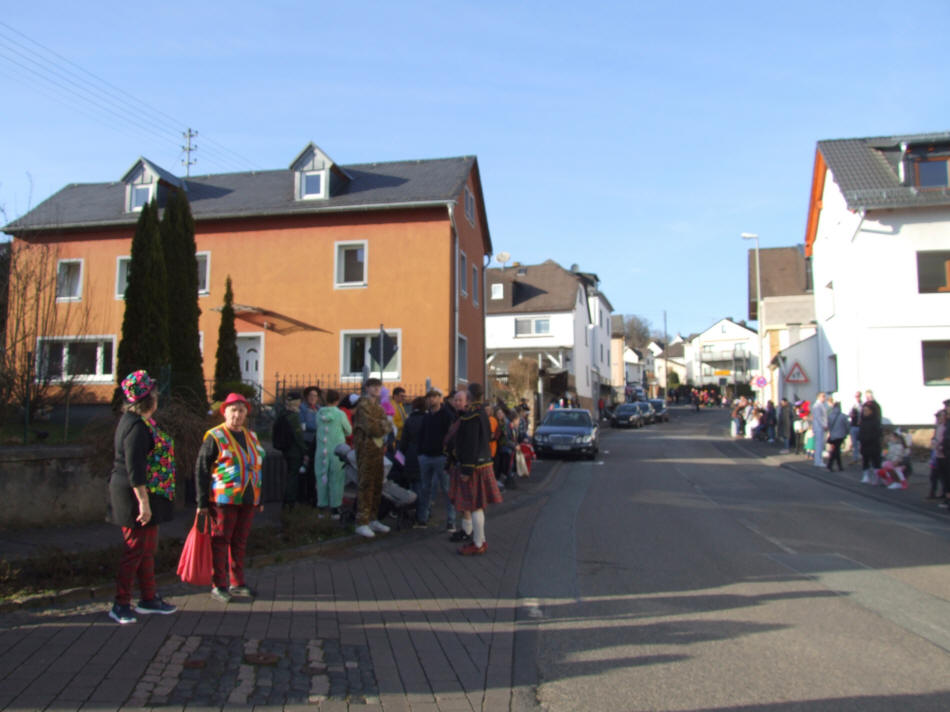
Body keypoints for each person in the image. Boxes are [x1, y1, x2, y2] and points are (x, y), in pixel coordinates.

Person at [107, 370, 177, 624]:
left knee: (147, 549)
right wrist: (143, 503)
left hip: (147, 494)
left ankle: (149, 598)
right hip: (133, 496)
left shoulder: (141, 422)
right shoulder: (135, 427)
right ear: (150, 399)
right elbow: (134, 467)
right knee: (134, 550)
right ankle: (120, 603)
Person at [196, 392, 266, 603]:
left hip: (248, 497)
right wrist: (201, 502)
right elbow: (201, 469)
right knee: (220, 541)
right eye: (233, 410)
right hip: (224, 499)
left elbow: (257, 467)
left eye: (241, 411)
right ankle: (219, 584)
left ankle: (237, 581)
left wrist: (260, 498)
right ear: (224, 412)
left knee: (240, 541)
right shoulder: (215, 436)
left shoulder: (251, 436)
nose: (237, 415)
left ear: (246, 414)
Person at [447, 384, 503, 555]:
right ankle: (480, 539)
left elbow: (470, 444)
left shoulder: (471, 416)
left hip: (475, 465)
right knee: (477, 506)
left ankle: (478, 543)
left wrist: (467, 469)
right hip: (484, 462)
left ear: (469, 396)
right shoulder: (483, 413)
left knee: (475, 506)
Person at [353, 378, 393, 538]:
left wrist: (384, 425)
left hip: (378, 450)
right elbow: (373, 428)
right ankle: (362, 521)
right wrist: (384, 425)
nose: (376, 389)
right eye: (373, 386)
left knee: (377, 485)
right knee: (366, 485)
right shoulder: (363, 406)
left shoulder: (378, 407)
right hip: (366, 450)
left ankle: (373, 518)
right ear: (367, 388)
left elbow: (386, 425)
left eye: (379, 386)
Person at [415, 388, 456, 532]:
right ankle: (423, 519)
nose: (431, 399)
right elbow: (421, 435)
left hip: (440, 457)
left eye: (434, 397)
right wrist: (420, 453)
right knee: (425, 488)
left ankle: (451, 520)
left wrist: (447, 454)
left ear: (440, 398)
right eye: (429, 397)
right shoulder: (426, 416)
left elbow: (451, 436)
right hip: (426, 456)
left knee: (446, 489)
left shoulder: (447, 415)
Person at [314, 389, 352, 519]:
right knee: (336, 479)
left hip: (321, 450)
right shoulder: (340, 414)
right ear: (337, 400)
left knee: (321, 477)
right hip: (337, 451)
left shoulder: (319, 413)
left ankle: (321, 507)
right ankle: (335, 508)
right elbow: (348, 430)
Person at [273, 392, 305, 509]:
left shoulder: (282, 413)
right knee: (293, 475)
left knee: (289, 474)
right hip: (294, 450)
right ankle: (289, 501)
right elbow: (298, 436)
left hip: (285, 448)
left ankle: (287, 500)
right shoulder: (294, 416)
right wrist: (305, 450)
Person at [398, 396, 426, 526]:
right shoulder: (427, 419)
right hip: (424, 453)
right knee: (422, 485)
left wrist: (401, 454)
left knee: (412, 485)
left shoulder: (409, 420)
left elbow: (403, 442)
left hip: (410, 454)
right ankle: (422, 515)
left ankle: (412, 513)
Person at [299, 386, 321, 505]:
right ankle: (305, 496)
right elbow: (303, 426)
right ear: (307, 396)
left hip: (318, 442)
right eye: (311, 395)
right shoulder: (302, 408)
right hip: (307, 442)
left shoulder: (319, 409)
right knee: (306, 469)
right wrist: (318, 427)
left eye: (315, 396)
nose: (313, 398)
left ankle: (314, 496)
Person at [858, 400, 883, 484]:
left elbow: (878, 433)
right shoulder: (862, 421)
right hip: (864, 445)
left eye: (867, 411)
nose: (865, 412)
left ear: (871, 411)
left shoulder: (875, 421)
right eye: (864, 410)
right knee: (865, 460)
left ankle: (877, 477)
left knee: (876, 461)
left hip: (873, 445)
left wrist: (870, 439)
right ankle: (866, 476)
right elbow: (860, 432)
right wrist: (861, 439)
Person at [826, 398, 849, 472]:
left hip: (833, 435)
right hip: (841, 435)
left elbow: (828, 426)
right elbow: (847, 426)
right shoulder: (843, 416)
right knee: (836, 450)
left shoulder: (830, 416)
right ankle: (832, 465)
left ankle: (836, 465)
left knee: (836, 450)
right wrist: (847, 432)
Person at [811, 392, 828, 467]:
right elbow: (818, 417)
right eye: (823, 396)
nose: (824, 398)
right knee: (819, 444)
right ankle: (818, 461)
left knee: (820, 444)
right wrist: (824, 425)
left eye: (824, 396)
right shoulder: (817, 405)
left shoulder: (821, 405)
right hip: (818, 427)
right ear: (819, 397)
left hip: (819, 427)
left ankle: (819, 460)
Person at [848, 391, 863, 464]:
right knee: (854, 443)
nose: (857, 398)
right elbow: (849, 414)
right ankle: (855, 458)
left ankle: (860, 457)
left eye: (859, 396)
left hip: (860, 426)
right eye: (856, 396)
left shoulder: (862, 405)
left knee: (860, 443)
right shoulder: (853, 405)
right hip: (853, 425)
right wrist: (852, 414)